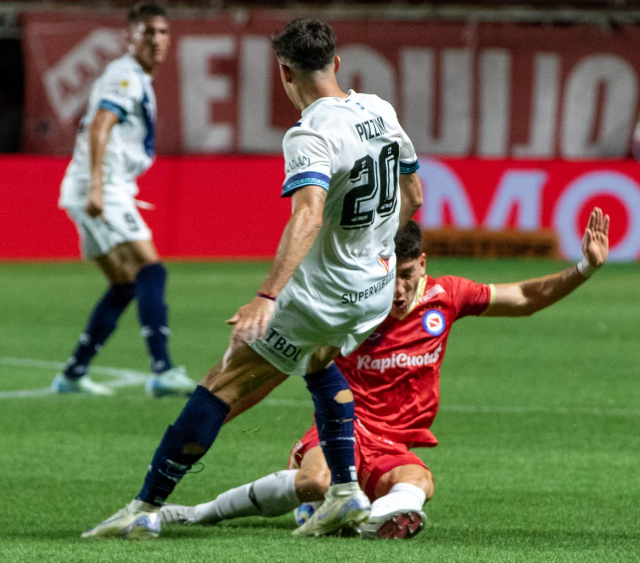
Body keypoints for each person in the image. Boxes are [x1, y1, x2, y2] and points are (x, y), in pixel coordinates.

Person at [81, 16, 423, 540]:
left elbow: (307, 214)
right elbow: (414, 196)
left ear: (284, 72)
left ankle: (144, 509)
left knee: (222, 384)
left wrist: (268, 296)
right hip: (372, 291)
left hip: (321, 296)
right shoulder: (380, 109)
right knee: (319, 360)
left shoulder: (310, 133)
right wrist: (376, 250)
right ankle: (345, 492)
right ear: (335, 63)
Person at [158, 209, 610, 540]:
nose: (399, 288)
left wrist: (583, 268)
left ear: (423, 265)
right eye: (392, 274)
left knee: (421, 483)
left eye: (408, 274)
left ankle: (361, 522)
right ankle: (200, 513)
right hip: (341, 432)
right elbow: (289, 348)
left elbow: (525, 297)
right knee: (317, 480)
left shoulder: (447, 297)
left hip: (391, 443)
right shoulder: (356, 303)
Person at [51, 2, 198, 398]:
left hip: (92, 186)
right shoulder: (126, 76)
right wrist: (98, 186)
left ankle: (72, 375)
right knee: (152, 271)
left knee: (123, 285)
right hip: (102, 187)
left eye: (162, 32)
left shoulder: (135, 77)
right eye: (147, 31)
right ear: (129, 36)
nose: (156, 40)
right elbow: (100, 125)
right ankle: (163, 371)